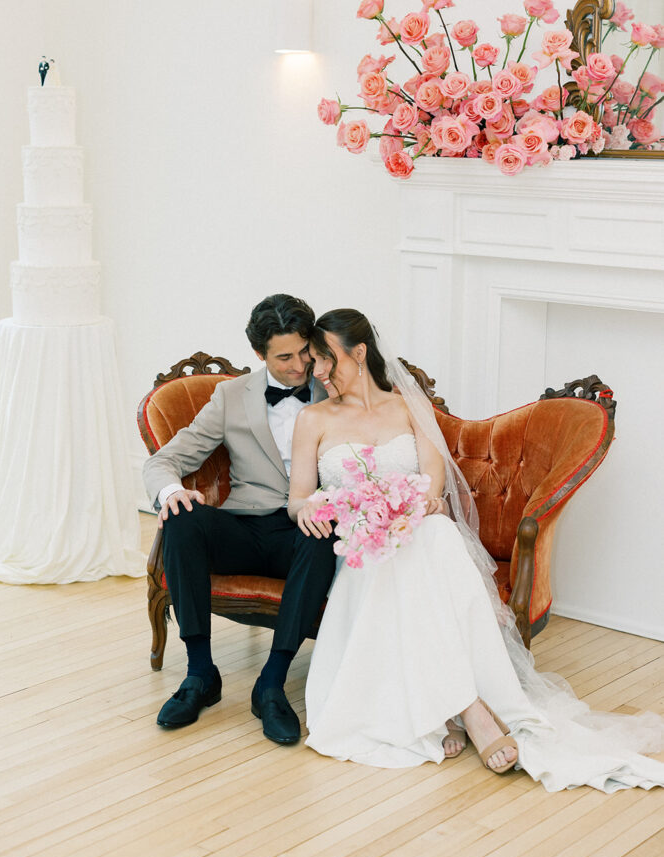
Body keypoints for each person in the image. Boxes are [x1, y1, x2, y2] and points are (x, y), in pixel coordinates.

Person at [287, 308, 664, 791]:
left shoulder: (407, 408)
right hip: (359, 548)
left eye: (326, 360)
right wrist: (314, 511)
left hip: (415, 535)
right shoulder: (313, 418)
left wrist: (413, 508)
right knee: (409, 551)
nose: (317, 373)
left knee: (436, 534)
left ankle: (455, 708)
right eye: (313, 362)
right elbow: (297, 498)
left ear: (359, 353)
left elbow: (433, 483)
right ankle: (472, 709)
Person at [143, 294, 336, 744]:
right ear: (259, 355)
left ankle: (271, 682)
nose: (299, 366)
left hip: (306, 533)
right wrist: (171, 492)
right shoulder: (231, 395)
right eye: (284, 357)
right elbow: (162, 462)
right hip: (246, 527)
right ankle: (200, 674)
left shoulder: (335, 386)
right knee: (181, 517)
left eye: (305, 351)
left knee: (323, 533)